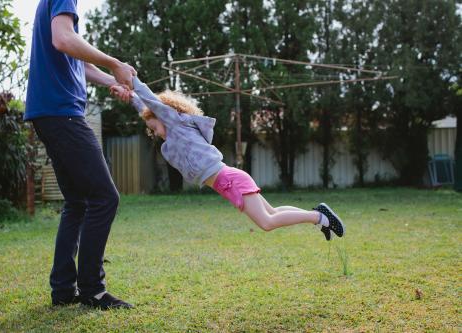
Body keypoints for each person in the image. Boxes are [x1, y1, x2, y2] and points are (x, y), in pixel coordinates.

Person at [110, 79, 346, 240]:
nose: (156, 133)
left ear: (164, 116)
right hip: (228, 181)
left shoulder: (176, 123)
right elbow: (145, 107)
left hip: (229, 179)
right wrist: (130, 97)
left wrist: (133, 81)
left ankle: (319, 217)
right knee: (272, 212)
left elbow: (151, 101)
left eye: (154, 127)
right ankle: (319, 215)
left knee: (266, 223)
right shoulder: (173, 135)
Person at [25, 0, 135, 310]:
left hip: (50, 113)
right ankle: (93, 290)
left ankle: (63, 289)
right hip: (62, 113)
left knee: (78, 202)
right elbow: (63, 39)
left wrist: (112, 79)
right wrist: (114, 62)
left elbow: (78, 61)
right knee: (105, 197)